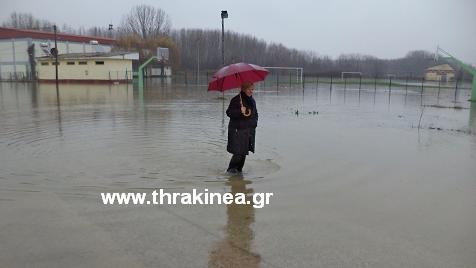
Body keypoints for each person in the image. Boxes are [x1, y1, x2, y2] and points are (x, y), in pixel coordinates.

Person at [226, 81, 258, 173]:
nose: (251, 91)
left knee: (243, 153)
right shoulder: (236, 100)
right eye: (249, 89)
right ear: (244, 89)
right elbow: (229, 113)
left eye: (252, 89)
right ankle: (230, 173)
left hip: (247, 131)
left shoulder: (252, 100)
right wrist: (240, 111)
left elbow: (256, 114)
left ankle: (239, 175)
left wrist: (255, 123)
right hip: (237, 131)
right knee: (238, 153)